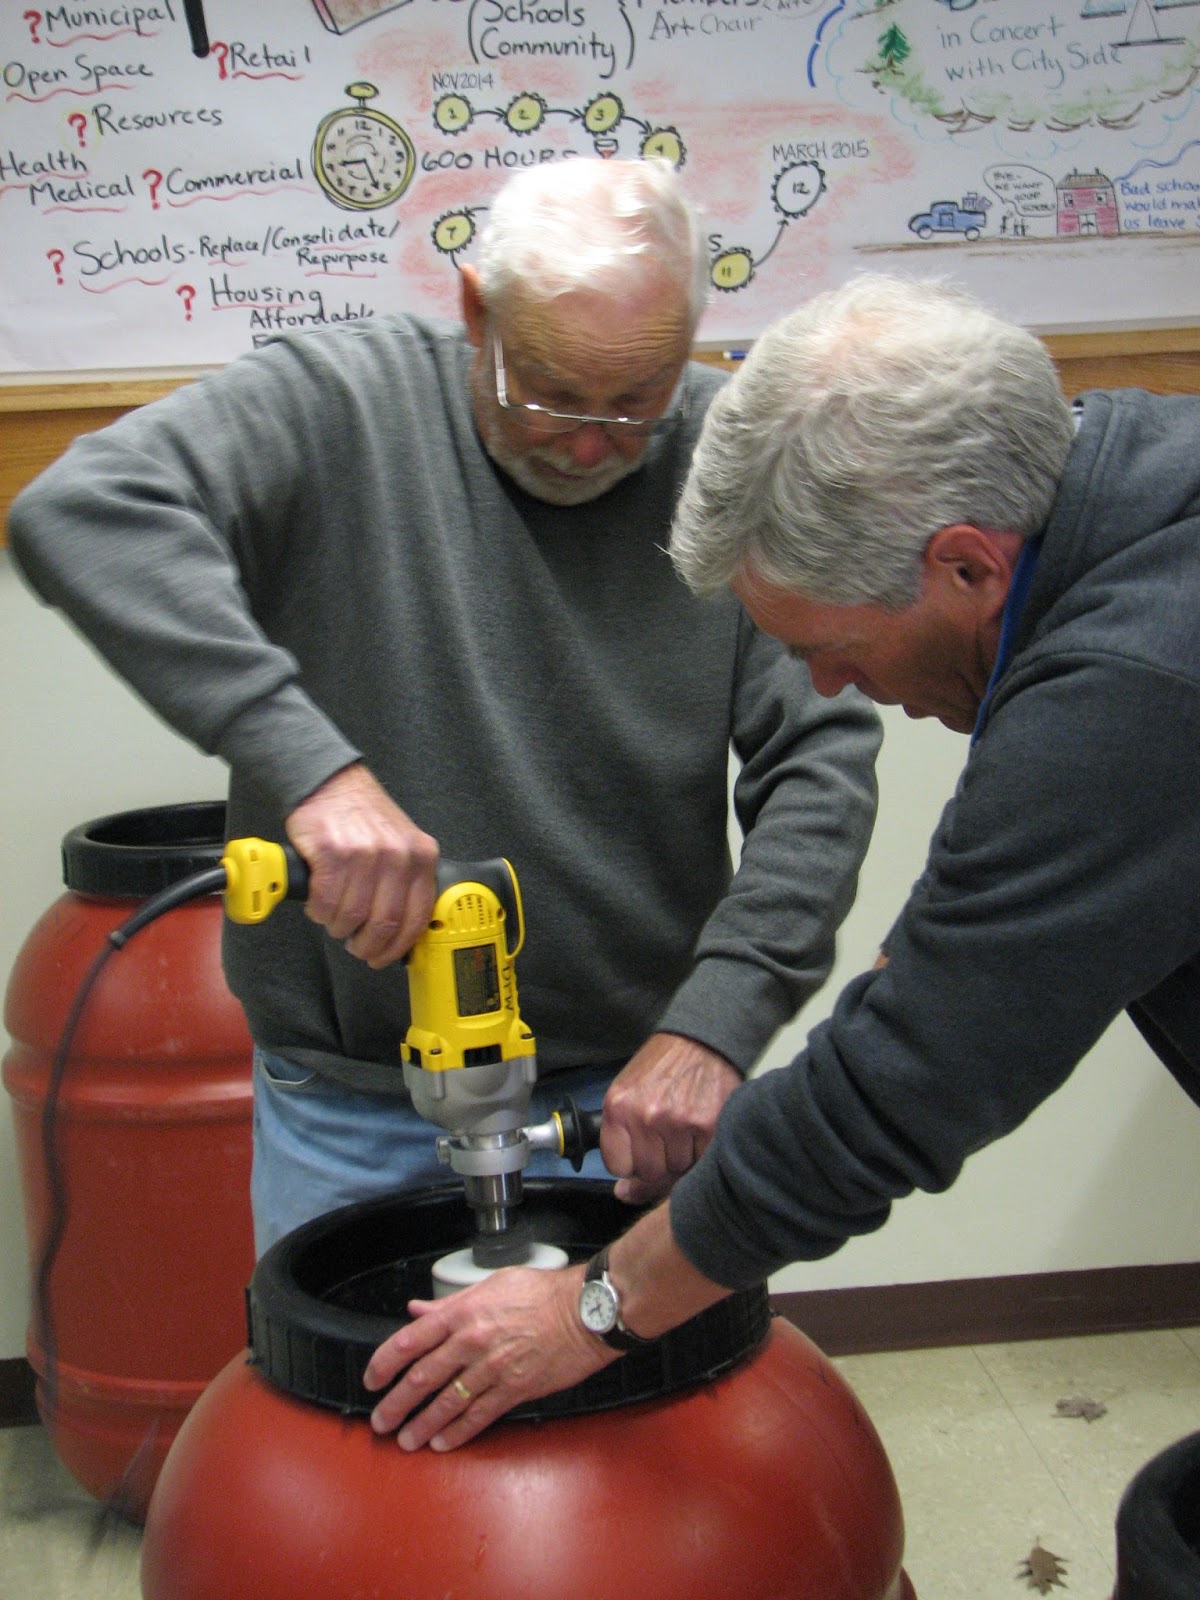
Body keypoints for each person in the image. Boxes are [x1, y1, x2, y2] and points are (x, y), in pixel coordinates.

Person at [359, 271, 1200, 1453]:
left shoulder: (1133, 686)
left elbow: (902, 1091)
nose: (829, 685)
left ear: (966, 563)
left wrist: (593, 1307)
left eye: (835, 644)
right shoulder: (1137, 482)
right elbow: (973, 965)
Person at [7, 159, 882, 1255]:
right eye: (551, 394)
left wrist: (717, 1025)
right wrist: (316, 772)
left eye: (635, 402)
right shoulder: (341, 403)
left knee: (634, 1367)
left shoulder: (731, 453)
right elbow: (83, 509)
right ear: (477, 311)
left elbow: (819, 765)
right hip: (355, 1105)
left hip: (632, 1099)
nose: (591, 441)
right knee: (354, 1367)